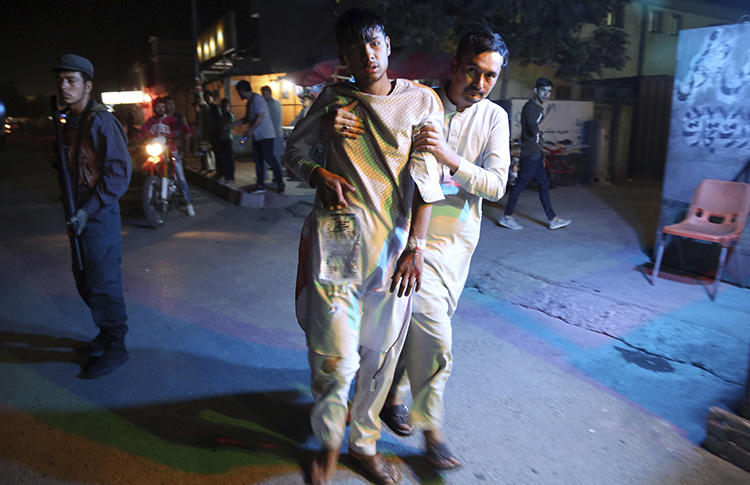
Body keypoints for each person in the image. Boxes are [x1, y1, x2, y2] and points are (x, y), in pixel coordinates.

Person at [332, 29, 511, 470]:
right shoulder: (418, 101)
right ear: (454, 67)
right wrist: (332, 123)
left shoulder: (494, 119)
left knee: (418, 327)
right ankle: (432, 431)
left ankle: (392, 393)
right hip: (402, 235)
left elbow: (497, 184)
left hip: (454, 246)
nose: (480, 83)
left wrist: (452, 159)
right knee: (427, 331)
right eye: (473, 70)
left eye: (490, 76)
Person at [283, 7, 444, 485]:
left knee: (379, 354)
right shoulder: (333, 101)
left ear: (388, 45)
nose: (367, 55)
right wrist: (319, 171)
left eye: (373, 43)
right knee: (336, 354)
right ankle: (330, 443)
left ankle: (365, 443)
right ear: (344, 56)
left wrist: (416, 245)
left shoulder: (420, 102)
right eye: (355, 47)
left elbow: (428, 179)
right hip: (338, 237)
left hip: (393, 245)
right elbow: (294, 152)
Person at [54, 53, 132, 378]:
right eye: (60, 80)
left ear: (88, 85)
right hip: (79, 215)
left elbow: (119, 174)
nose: (64, 86)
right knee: (85, 279)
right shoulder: (70, 122)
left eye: (71, 80)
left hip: (98, 215)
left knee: (103, 282)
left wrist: (87, 210)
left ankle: (116, 346)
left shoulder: (100, 121)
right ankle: (104, 333)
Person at [498, 77, 571, 230]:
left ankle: (553, 219)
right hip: (530, 153)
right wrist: (550, 116)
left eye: (549, 91)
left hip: (536, 153)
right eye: (543, 90)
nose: (546, 94)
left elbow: (537, 134)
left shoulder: (537, 108)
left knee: (543, 184)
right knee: (521, 184)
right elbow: (534, 131)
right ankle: (507, 217)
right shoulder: (530, 107)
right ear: (535, 90)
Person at [138, 97, 196, 216]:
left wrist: (180, 132)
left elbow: (182, 128)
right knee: (147, 168)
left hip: (170, 150)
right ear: (154, 108)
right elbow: (142, 131)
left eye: (162, 107)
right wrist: (137, 138)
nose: (160, 109)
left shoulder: (171, 120)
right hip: (156, 151)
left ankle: (189, 203)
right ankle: (152, 194)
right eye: (158, 107)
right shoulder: (150, 121)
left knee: (180, 176)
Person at [235, 80, 285, 193]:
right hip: (257, 136)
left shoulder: (258, 99)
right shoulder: (249, 102)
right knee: (258, 160)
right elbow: (248, 118)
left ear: (242, 91)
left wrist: (250, 130)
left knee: (269, 158)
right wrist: (234, 124)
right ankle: (260, 185)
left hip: (266, 135)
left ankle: (280, 183)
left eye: (239, 92)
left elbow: (260, 117)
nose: (239, 95)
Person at [214, 98, 235, 183]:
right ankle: (223, 174)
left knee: (229, 158)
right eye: (223, 106)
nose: (224, 108)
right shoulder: (221, 116)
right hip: (221, 139)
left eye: (226, 106)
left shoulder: (230, 115)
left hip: (227, 139)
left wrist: (222, 128)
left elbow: (228, 127)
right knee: (222, 158)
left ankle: (230, 176)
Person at [261, 85, 284, 159]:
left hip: (274, 133)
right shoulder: (265, 104)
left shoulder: (275, 104)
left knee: (276, 157)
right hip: (270, 134)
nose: (263, 96)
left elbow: (274, 119)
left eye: (264, 94)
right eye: (262, 94)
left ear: (269, 93)